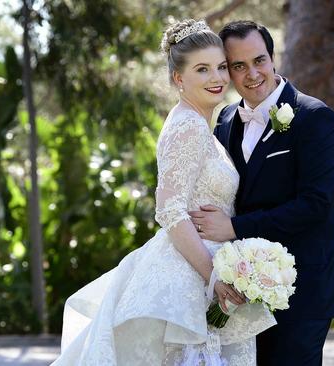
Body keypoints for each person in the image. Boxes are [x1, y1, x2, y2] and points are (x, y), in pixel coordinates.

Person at [51, 19, 275, 366]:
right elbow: (169, 210)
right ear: (178, 78)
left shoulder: (200, 123)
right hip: (190, 275)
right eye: (202, 69)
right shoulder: (188, 125)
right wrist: (214, 275)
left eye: (220, 67)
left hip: (202, 270)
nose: (217, 78)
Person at [189, 20, 334, 365]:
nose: (252, 73)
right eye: (239, 66)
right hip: (241, 292)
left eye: (259, 60)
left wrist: (235, 228)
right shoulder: (224, 121)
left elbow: (315, 205)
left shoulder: (315, 118)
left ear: (272, 58)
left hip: (301, 290)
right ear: (229, 72)